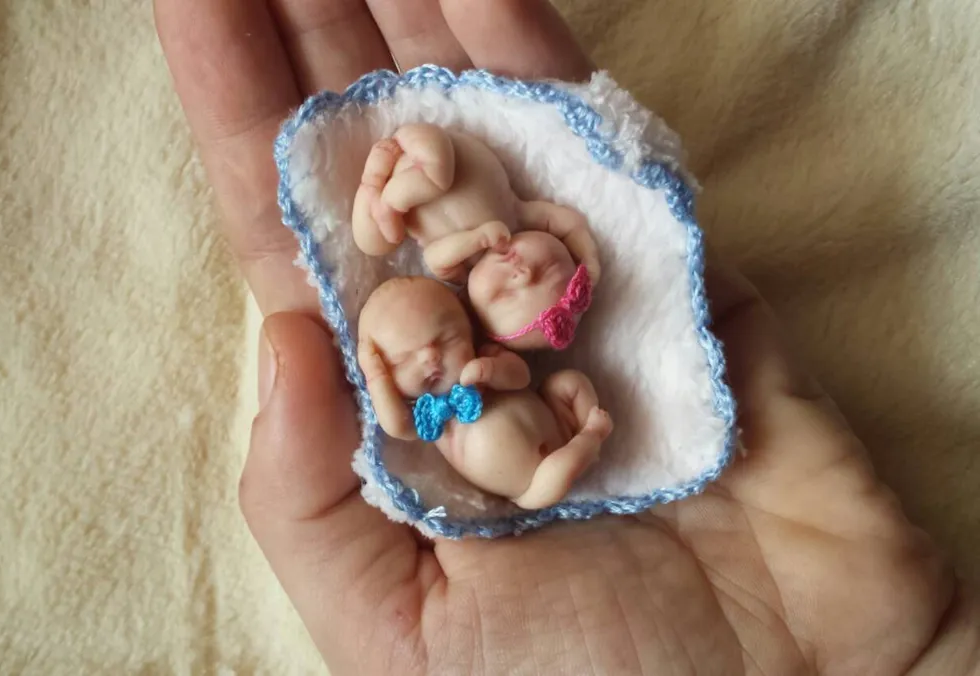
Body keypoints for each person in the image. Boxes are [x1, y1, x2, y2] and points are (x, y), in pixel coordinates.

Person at [154, 1, 980, 672]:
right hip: (532, 450)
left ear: (468, 316)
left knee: (541, 408)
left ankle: (572, 436)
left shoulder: (487, 315)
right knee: (544, 454)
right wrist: (383, 360)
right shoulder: (435, 384)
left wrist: (508, 273)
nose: (433, 361)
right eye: (415, 363)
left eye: (441, 338)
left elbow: (514, 305)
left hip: (524, 400)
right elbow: (400, 410)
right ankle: (576, 442)